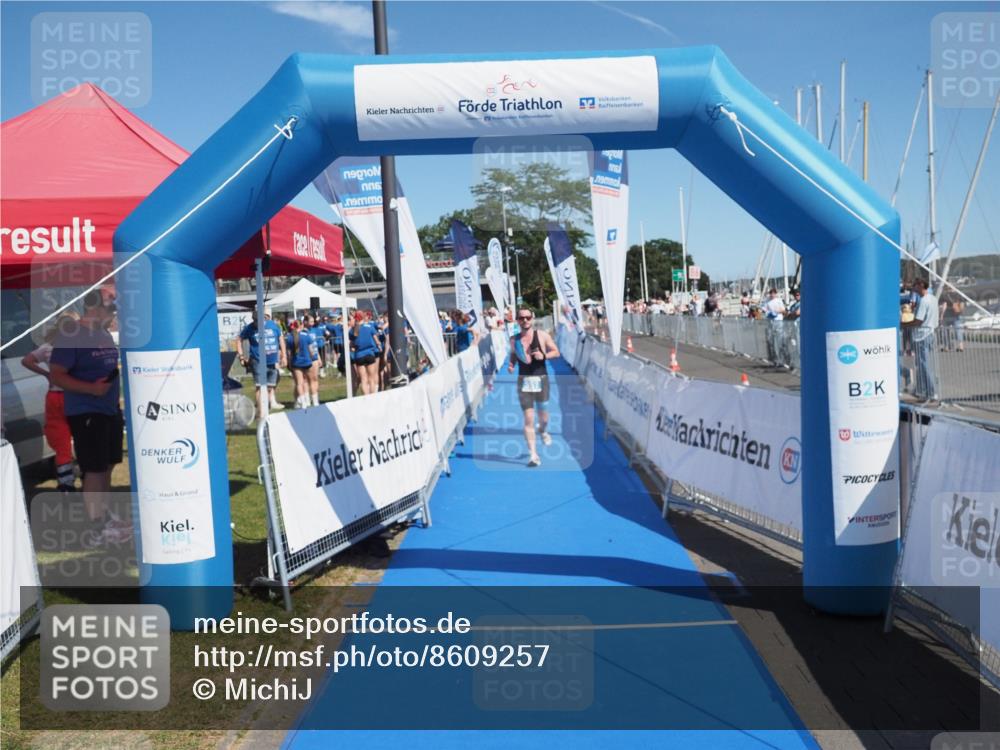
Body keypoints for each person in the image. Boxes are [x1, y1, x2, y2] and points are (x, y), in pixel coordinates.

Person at [48, 288, 128, 544]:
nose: (115, 311)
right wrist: (91, 389)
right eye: (111, 307)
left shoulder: (103, 332)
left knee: (107, 464)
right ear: (93, 307)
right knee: (93, 468)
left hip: (109, 409)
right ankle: (97, 528)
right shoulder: (71, 335)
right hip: (86, 411)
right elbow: (57, 374)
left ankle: (105, 517)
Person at [21, 314, 80, 492]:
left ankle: (66, 486)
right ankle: (90, 481)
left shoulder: (48, 347)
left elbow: (26, 361)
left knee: (61, 446)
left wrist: (46, 374)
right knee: (84, 441)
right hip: (76, 397)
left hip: (54, 397)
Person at [507, 308, 560, 467]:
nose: (525, 320)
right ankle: (533, 455)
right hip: (523, 381)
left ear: (532, 318)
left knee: (543, 417)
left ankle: (543, 430)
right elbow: (514, 354)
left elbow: (556, 352)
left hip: (541, 379)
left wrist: (543, 356)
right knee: (529, 418)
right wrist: (511, 364)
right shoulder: (513, 339)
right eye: (521, 318)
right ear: (517, 320)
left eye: (527, 317)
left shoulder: (542, 335)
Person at [237, 308, 286, 415]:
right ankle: (261, 412)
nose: (256, 323)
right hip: (257, 361)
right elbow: (239, 339)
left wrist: (284, 355)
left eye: (257, 320)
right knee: (260, 387)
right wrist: (241, 356)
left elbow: (281, 339)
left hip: (272, 361)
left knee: (270, 387)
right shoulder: (249, 328)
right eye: (254, 320)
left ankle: (266, 408)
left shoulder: (273, 325)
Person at [902, 278, 939, 401]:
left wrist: (903, 325)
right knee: (922, 364)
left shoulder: (923, 301)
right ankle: (923, 391)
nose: (913, 288)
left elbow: (918, 321)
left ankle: (931, 392)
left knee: (923, 365)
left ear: (921, 285)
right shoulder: (933, 299)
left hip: (922, 336)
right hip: (930, 334)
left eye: (915, 285)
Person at [286, 318, 319, 408]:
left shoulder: (289, 338)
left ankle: (304, 402)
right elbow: (311, 350)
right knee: (312, 381)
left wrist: (289, 364)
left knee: (299, 383)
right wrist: (314, 358)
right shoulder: (306, 336)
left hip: (296, 363)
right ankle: (315, 402)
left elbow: (289, 354)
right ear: (301, 326)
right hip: (307, 362)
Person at [350, 310, 383, 395]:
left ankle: (366, 397)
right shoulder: (370, 326)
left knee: (363, 379)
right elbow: (377, 341)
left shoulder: (353, 330)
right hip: (370, 354)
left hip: (359, 355)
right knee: (371, 378)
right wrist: (379, 346)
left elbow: (352, 345)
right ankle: (372, 397)